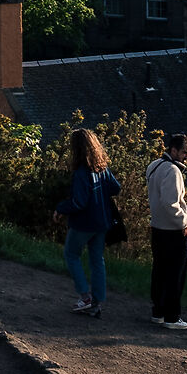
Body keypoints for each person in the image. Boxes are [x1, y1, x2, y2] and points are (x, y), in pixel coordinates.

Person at [53, 127, 119, 319]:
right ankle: (97, 302)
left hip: (84, 223)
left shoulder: (81, 173)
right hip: (102, 222)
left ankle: (85, 296)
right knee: (97, 260)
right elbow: (116, 188)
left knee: (71, 254)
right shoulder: (102, 168)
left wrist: (60, 209)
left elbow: (78, 203)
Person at [146, 131, 187, 330]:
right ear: (173, 150)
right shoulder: (173, 171)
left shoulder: (154, 165)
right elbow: (170, 202)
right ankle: (172, 316)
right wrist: (183, 222)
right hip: (173, 231)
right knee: (176, 274)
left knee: (159, 271)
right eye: (184, 152)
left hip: (156, 227)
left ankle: (158, 311)